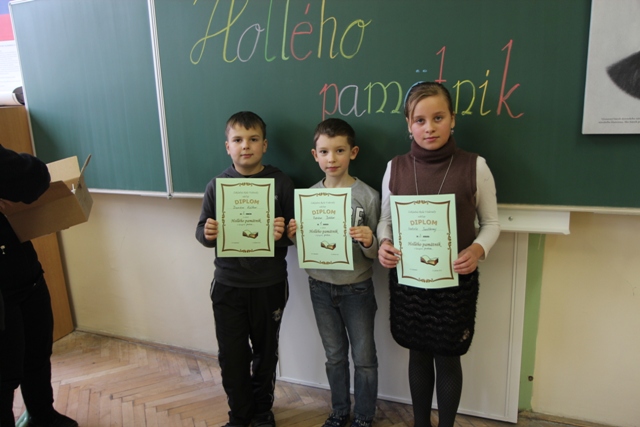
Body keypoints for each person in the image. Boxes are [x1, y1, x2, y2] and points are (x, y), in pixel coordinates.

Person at [377, 82, 500, 427]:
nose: (429, 127)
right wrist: (384, 244)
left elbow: (491, 223)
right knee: (418, 354)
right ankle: (420, 423)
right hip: (410, 282)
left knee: (448, 357)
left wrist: (477, 249)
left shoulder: (475, 166)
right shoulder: (395, 167)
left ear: (453, 119)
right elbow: (385, 221)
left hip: (454, 282)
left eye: (438, 117)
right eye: (419, 120)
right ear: (408, 124)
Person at [195, 111, 295, 427]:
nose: (245, 146)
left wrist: (283, 235)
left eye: (253, 139)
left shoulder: (281, 182)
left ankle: (262, 411)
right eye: (238, 140)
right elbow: (201, 231)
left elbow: (296, 235)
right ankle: (239, 414)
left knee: (266, 352)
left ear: (264, 145)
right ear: (228, 146)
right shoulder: (217, 186)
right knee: (232, 355)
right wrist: (207, 233)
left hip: (269, 284)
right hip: (228, 286)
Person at [287, 119, 380, 427]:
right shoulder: (308, 197)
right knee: (334, 356)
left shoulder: (368, 196)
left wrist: (369, 241)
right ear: (315, 155)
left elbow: (377, 251)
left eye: (339, 150)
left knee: (364, 358)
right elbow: (307, 246)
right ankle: (339, 411)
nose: (332, 159)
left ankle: (364, 416)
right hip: (320, 287)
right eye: (325, 152)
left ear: (353, 152)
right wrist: (294, 236)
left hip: (357, 288)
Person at [0, 144, 78, 427]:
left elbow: (36, 177)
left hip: (24, 271)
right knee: (4, 373)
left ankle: (41, 415)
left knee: (37, 352)